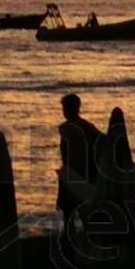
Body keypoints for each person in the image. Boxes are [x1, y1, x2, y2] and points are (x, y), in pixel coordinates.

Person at [56, 94, 103, 234]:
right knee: (84, 207)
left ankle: (70, 235)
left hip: (73, 173)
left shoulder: (66, 128)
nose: (63, 111)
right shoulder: (88, 127)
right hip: (85, 173)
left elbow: (65, 153)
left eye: (64, 108)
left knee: (69, 209)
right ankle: (89, 233)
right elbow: (102, 142)